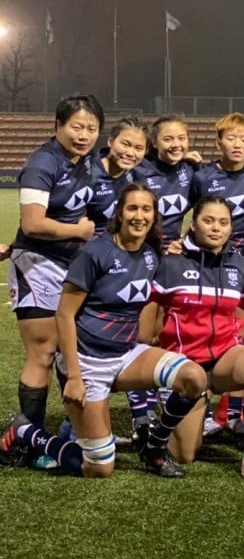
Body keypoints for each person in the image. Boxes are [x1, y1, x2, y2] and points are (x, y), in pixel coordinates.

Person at [1, 185, 208, 478]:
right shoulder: (96, 252)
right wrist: (73, 376)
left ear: (155, 216)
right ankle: (24, 430)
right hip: (88, 362)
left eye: (146, 209)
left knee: (193, 378)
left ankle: (154, 446)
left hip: (126, 355)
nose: (139, 216)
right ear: (120, 213)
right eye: (132, 209)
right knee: (98, 468)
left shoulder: (151, 254)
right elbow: (64, 314)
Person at [145, 196, 244, 483]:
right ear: (193, 224)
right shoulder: (170, 264)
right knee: (184, 454)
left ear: (231, 228)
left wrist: (235, 339)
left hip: (221, 362)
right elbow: (148, 313)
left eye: (223, 222)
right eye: (208, 220)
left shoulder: (239, 265)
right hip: (185, 368)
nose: (216, 228)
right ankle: (170, 404)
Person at [7, 94, 104, 469]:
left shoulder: (88, 160)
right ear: (58, 126)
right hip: (37, 263)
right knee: (44, 350)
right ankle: (28, 437)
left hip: (70, 265)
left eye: (91, 128)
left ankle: (65, 428)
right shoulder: (43, 161)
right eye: (76, 127)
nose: (83, 135)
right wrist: (78, 231)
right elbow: (32, 222)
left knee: (70, 348)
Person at [189, 113, 244, 251]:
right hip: (211, 253)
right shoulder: (202, 177)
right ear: (218, 143)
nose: (237, 145)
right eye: (230, 139)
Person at [134, 114, 203, 249]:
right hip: (139, 250)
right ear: (154, 142)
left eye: (181, 138)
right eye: (168, 139)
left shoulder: (191, 169)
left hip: (174, 250)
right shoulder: (137, 170)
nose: (176, 144)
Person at [87, 117, 149, 238]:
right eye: (125, 144)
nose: (130, 153)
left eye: (138, 148)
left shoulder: (137, 174)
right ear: (110, 141)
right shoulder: (88, 173)